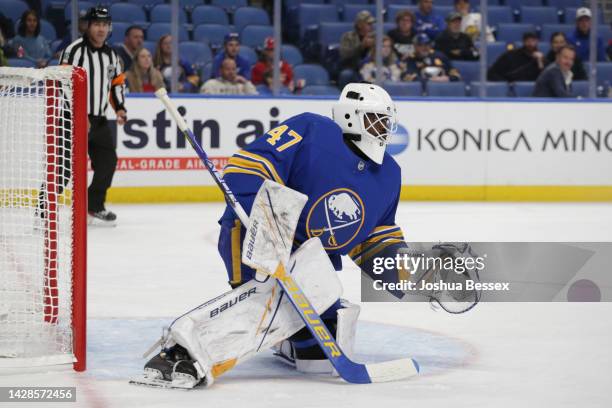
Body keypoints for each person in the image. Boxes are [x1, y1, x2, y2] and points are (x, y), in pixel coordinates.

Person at [142, 83, 413, 386]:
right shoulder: (311, 130)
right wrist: (270, 228)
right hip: (257, 239)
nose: (383, 129)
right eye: (376, 120)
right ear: (351, 117)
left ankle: (285, 339)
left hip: (310, 262)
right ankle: (181, 350)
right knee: (264, 300)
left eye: (386, 122)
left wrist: (415, 275)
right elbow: (248, 168)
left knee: (325, 349)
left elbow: (376, 241)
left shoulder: (389, 175)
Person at [59, 6, 127, 226]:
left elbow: (116, 85)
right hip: (72, 119)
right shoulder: (74, 51)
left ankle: (94, 206)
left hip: (98, 120)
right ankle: (44, 210)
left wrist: (120, 108)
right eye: (97, 24)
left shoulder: (112, 56)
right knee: (63, 168)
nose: (101, 29)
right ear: (87, 26)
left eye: (105, 25)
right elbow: (63, 83)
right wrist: (79, 113)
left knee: (108, 162)